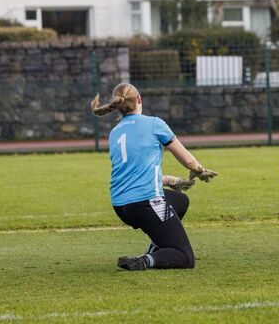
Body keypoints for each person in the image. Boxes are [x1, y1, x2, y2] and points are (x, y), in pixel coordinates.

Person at [91, 82, 218, 271]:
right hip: (145, 202)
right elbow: (188, 160)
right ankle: (145, 260)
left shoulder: (114, 133)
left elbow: (134, 174)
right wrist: (199, 170)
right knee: (184, 257)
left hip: (121, 206)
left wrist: (170, 181)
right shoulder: (154, 124)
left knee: (180, 200)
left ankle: (156, 247)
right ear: (139, 100)